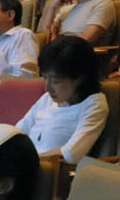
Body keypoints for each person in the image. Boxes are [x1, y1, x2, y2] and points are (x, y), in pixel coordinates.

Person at [10, 36, 112, 165]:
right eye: (45, 78)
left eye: (55, 81)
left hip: (49, 171)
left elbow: (71, 154)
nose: (47, 88)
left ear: (79, 78)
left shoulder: (93, 105)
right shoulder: (47, 99)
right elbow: (18, 132)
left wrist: (28, 160)